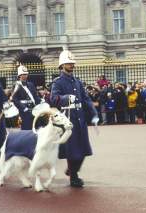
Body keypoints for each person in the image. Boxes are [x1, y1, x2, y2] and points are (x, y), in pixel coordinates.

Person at [50, 50, 99, 188]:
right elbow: (54, 99)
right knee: (72, 150)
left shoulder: (77, 81)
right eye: (68, 63)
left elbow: (86, 99)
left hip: (80, 118)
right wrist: (66, 99)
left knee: (83, 149)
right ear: (62, 65)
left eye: (72, 63)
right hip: (68, 120)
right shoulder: (57, 82)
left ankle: (72, 170)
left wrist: (94, 114)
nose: (71, 65)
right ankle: (74, 177)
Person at [12, 65, 41, 130]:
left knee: (35, 128)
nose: (25, 76)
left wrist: (41, 102)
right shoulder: (16, 85)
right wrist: (23, 108)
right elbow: (15, 99)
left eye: (26, 74)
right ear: (19, 76)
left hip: (33, 109)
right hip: (24, 111)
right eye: (23, 74)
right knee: (26, 128)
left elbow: (35, 96)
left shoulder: (31, 84)